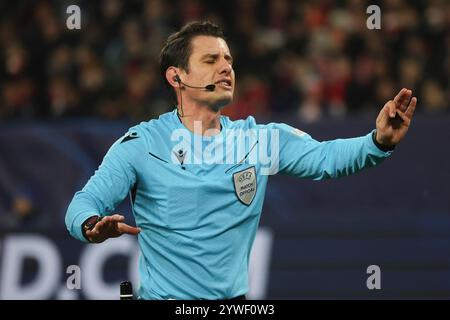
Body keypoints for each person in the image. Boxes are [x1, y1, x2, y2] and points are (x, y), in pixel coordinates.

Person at [65, 21, 417, 300]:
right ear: (177, 77)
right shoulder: (141, 144)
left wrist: (378, 142)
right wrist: (91, 225)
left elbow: (326, 158)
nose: (226, 68)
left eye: (228, 60)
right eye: (211, 60)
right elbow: (83, 202)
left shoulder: (257, 140)